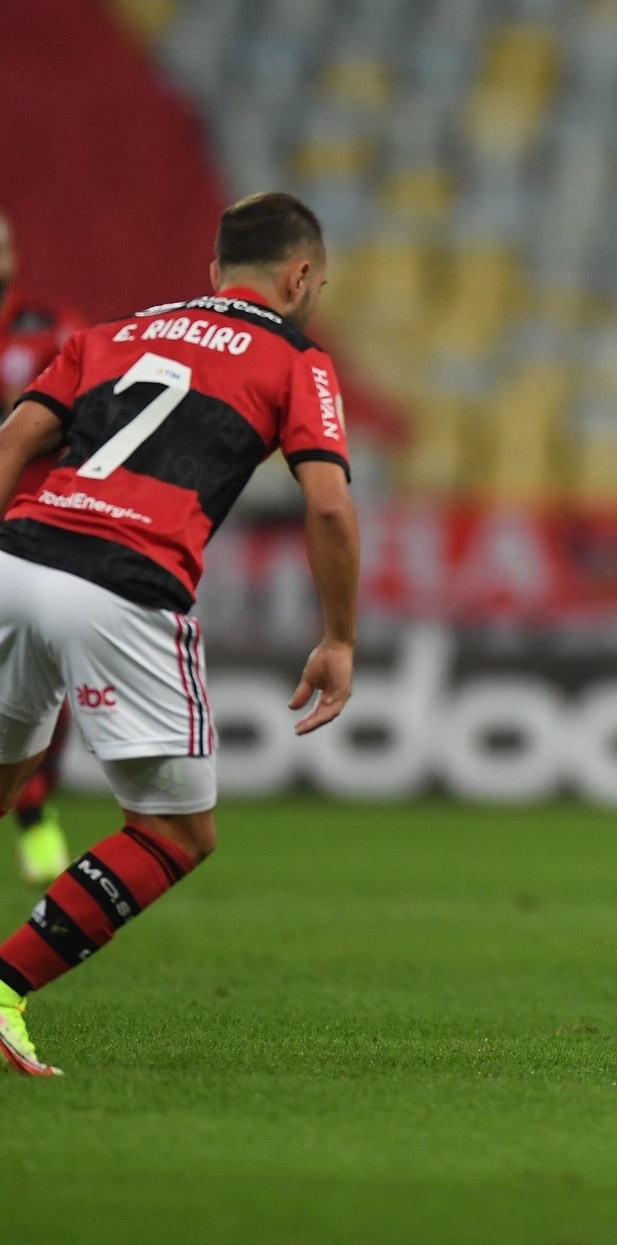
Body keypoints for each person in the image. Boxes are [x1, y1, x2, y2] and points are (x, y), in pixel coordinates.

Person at [0, 192, 359, 1076]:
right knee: (173, 834)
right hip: (124, 583)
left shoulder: (109, 333)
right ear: (301, 275)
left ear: (213, 271)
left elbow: (12, 442)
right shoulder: (295, 358)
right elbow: (328, 504)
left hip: (19, 556)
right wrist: (339, 637)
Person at [0, 209, 85, 886]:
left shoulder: (52, 328)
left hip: (35, 525)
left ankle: (32, 804)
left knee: (42, 680)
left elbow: (96, 417)